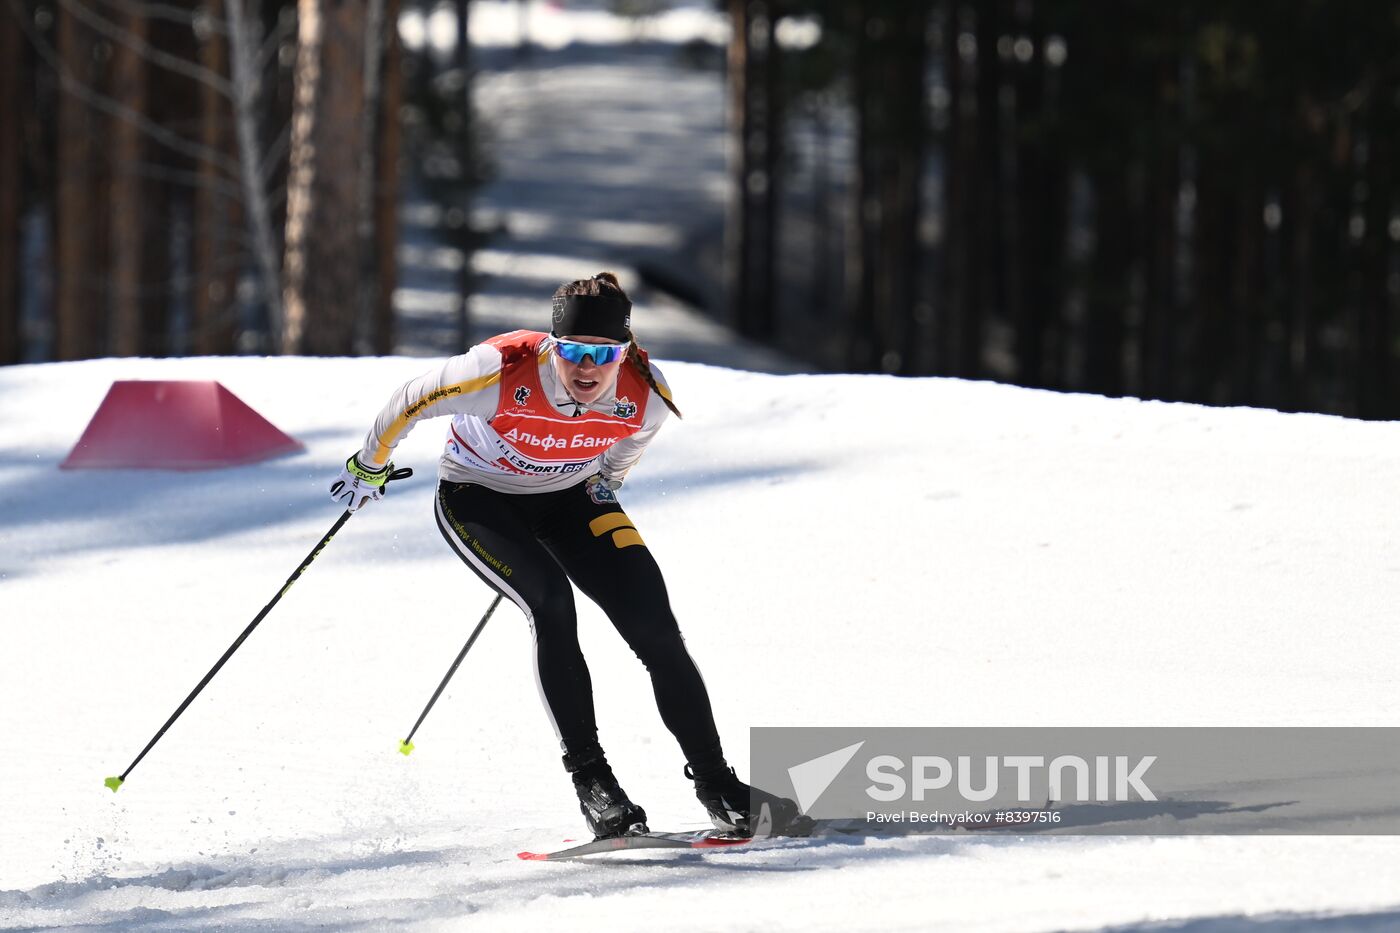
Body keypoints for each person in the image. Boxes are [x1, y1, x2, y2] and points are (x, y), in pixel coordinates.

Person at [330, 272, 800, 839]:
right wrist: (370, 462)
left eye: (603, 354)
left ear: (624, 353)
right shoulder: (497, 370)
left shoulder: (645, 392)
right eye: (573, 352)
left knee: (655, 628)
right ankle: (594, 786)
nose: (587, 368)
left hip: (571, 499)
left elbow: (626, 450)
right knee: (552, 604)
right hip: (478, 498)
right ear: (552, 346)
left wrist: (602, 483)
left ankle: (719, 786)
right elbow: (408, 400)